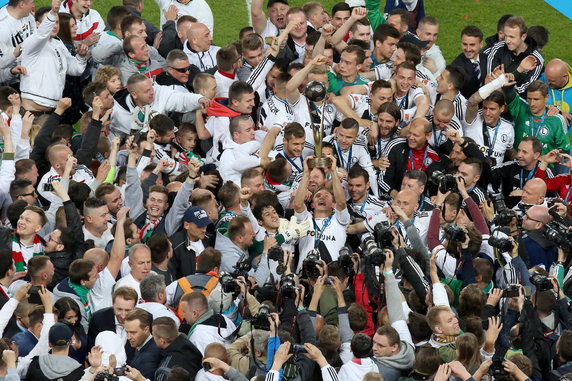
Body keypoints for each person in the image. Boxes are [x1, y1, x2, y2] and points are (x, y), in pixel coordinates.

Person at [20, 0, 88, 112]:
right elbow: (42, 34)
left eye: (57, 22)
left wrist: (81, 56)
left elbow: (75, 69)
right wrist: (53, 12)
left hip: (52, 109)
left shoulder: (58, 43)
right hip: (31, 111)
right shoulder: (32, 42)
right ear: (37, 24)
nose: (54, 26)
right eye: (51, 22)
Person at [293, 156, 350, 269]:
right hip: (305, 276)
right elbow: (298, 204)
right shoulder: (306, 218)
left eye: (326, 196)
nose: (321, 198)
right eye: (318, 196)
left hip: (332, 276)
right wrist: (306, 173)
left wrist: (333, 171)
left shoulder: (340, 220)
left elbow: (342, 202)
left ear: (333, 204)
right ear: (312, 204)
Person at [379, 118, 439, 198]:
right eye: (409, 133)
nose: (410, 137)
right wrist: (397, 196)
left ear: (428, 136)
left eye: (416, 135)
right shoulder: (395, 146)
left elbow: (432, 187)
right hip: (393, 198)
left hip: (418, 204)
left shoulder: (433, 156)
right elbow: (382, 179)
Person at [486, 16, 543, 96]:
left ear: (523, 37)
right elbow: (489, 79)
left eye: (512, 37)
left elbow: (525, 91)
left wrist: (504, 82)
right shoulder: (498, 48)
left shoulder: (535, 59)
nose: (507, 41)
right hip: (495, 99)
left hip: (515, 104)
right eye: (506, 36)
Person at [152, 316, 203, 381]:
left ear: (162, 341)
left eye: (153, 335)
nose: (152, 337)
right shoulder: (186, 345)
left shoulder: (167, 370)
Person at [170, 206, 213, 279]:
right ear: (187, 225)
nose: (204, 230)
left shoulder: (210, 239)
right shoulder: (175, 246)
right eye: (200, 226)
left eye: (205, 225)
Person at [124, 309, 162, 380]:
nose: (128, 337)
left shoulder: (151, 355)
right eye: (127, 332)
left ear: (146, 330)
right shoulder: (138, 344)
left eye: (133, 332)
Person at [451, 25, 487, 99]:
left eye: (472, 45)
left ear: (481, 44)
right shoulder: (456, 68)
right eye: (465, 44)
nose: (468, 49)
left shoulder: (487, 59)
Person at [543, 58, 572, 123]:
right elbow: (531, 101)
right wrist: (559, 113)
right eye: (547, 79)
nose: (547, 83)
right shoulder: (542, 78)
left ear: (564, 77)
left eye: (552, 81)